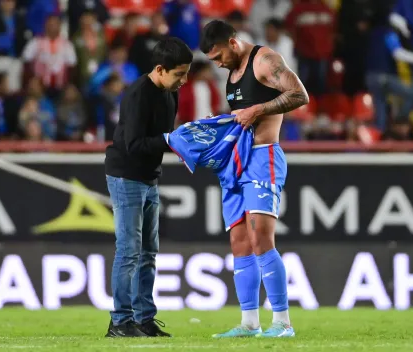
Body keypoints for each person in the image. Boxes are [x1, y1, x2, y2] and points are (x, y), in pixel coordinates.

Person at [200, 20, 309, 338]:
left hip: (264, 158)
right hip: (237, 161)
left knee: (261, 236)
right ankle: (249, 323)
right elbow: (243, 115)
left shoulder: (265, 60)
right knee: (239, 241)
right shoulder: (231, 74)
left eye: (219, 56)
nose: (217, 64)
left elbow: (299, 94)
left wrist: (258, 110)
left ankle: (283, 323)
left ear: (232, 43)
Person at [104, 37, 192, 338]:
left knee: (148, 252)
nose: (183, 81)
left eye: (185, 73)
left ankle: (143, 318)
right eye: (179, 74)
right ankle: (120, 321)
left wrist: (184, 140)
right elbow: (133, 145)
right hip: (126, 175)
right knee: (129, 251)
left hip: (149, 177)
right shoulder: (138, 94)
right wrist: (170, 141)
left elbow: (163, 137)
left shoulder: (170, 94)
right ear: (160, 69)